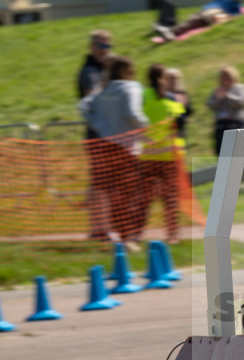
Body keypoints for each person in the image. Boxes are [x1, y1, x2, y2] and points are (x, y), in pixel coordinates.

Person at [78, 56, 149, 251]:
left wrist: (99, 125)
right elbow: (133, 113)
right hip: (127, 149)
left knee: (113, 195)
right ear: (128, 70)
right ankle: (127, 238)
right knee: (129, 195)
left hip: (107, 146)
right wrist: (148, 128)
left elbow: (83, 106)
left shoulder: (103, 90)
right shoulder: (131, 87)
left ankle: (122, 236)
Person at [140, 64, 188, 245]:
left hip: (151, 155)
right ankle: (172, 234)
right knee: (168, 198)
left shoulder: (145, 96)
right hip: (164, 156)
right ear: (161, 79)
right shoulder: (168, 98)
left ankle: (138, 233)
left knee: (148, 198)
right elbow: (181, 122)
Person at [77, 30, 114, 241]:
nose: (105, 51)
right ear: (91, 46)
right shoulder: (89, 71)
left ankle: (99, 227)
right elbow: (93, 99)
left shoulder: (101, 69)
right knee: (101, 183)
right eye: (101, 46)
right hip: (96, 134)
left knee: (102, 183)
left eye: (108, 46)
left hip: (106, 134)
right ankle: (100, 228)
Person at [206, 66, 244, 155]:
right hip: (221, 125)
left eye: (227, 76)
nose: (225, 79)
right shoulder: (218, 90)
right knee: (222, 153)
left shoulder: (239, 88)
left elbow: (241, 103)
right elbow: (210, 104)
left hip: (235, 123)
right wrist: (217, 100)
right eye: (223, 77)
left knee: (237, 152)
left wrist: (227, 96)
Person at [153, 0, 242, 41]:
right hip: (208, 12)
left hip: (212, 14)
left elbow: (235, 15)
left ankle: (171, 31)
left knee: (192, 21)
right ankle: (171, 31)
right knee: (192, 20)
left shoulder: (236, 5)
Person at [162, 67, 193, 146]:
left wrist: (185, 105)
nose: (173, 81)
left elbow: (189, 112)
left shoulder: (182, 94)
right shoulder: (162, 95)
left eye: (175, 78)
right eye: (170, 78)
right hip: (165, 133)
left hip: (180, 132)